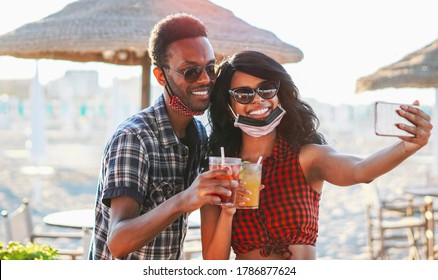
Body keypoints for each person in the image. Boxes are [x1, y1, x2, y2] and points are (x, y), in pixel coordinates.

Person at [201, 50, 432, 260]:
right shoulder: (222, 171)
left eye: (267, 89)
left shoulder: (305, 158)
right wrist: (228, 211)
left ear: (279, 93)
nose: (258, 99)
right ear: (227, 105)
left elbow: (361, 170)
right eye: (243, 94)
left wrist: (406, 148)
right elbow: (214, 263)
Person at [89, 13, 238, 260]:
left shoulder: (198, 134)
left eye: (210, 68)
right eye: (190, 71)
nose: (205, 79)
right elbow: (118, 241)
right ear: (161, 76)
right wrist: (184, 200)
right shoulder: (134, 138)